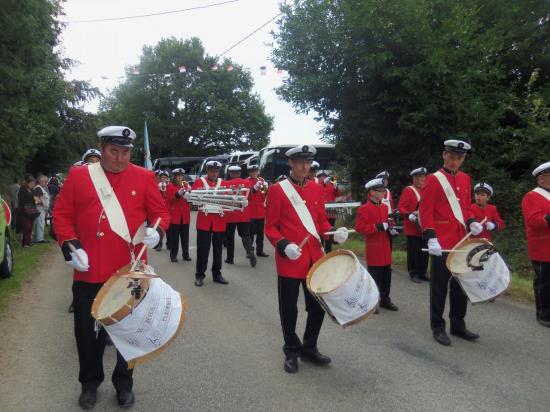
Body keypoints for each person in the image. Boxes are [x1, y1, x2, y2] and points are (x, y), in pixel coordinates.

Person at [53, 125, 170, 409]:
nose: (120, 158)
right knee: (85, 333)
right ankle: (89, 384)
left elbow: (160, 213)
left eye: (126, 152)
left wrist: (158, 231)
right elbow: (61, 214)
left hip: (129, 271)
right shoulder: (81, 175)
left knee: (127, 332)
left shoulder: (144, 177)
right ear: (102, 149)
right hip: (89, 269)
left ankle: (124, 384)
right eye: (114, 151)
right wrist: (71, 246)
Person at [265, 144, 348, 373]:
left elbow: (320, 221)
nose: (305, 166)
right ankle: (291, 350)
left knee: (317, 306)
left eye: (308, 162)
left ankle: (309, 347)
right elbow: (270, 227)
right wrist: (284, 245)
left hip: (314, 257)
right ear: (290, 163)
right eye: (300, 162)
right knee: (289, 308)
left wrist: (333, 233)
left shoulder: (315, 188)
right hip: (290, 259)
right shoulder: (277, 190)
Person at [419, 139, 483, 346]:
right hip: (441, 242)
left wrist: (472, 221)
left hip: (461, 241)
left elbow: (465, 208)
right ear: (444, 155)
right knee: (439, 287)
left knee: (460, 284)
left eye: (459, 158)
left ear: (463, 159)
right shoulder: (433, 179)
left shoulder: (465, 179)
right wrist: (431, 238)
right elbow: (425, 212)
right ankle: (437, 326)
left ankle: (458, 324)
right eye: (452, 157)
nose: (455, 162)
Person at [355, 178, 398, 312]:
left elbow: (385, 224)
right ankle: (373, 302)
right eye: (380, 191)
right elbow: (360, 228)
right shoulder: (364, 209)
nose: (383, 193)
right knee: (375, 277)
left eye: (384, 190)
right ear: (372, 192)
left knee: (387, 275)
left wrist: (391, 229)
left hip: (385, 246)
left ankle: (385, 299)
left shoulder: (385, 207)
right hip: (374, 248)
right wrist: (377, 227)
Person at [191, 161, 230, 287]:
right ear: (207, 171)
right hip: (204, 222)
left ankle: (217, 274)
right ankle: (200, 275)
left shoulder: (224, 184)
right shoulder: (199, 182)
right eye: (212, 171)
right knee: (203, 250)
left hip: (219, 221)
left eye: (216, 171)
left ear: (219, 172)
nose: (214, 173)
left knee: (218, 250)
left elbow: (229, 201)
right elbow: (193, 200)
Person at [521, 161, 550, 327]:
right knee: (544, 282)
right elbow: (532, 221)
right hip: (542, 247)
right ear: (541, 179)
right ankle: (544, 314)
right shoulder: (532, 196)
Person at [398, 167, 429, 283]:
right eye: (418, 177)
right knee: (414, 252)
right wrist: (409, 215)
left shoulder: (426, 190)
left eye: (423, 177)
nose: (421, 179)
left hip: (425, 226)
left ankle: (423, 272)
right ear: (414, 179)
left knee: (424, 251)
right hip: (412, 226)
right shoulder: (409, 190)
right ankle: (413, 272)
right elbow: (401, 207)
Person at [224, 165, 256, 267]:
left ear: (230, 173)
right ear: (240, 173)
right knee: (245, 235)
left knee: (230, 237)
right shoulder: (247, 182)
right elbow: (250, 197)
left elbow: (224, 198)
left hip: (231, 213)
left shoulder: (227, 183)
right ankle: (250, 250)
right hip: (243, 213)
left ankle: (230, 258)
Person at [166, 168, 191, 262]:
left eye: (181, 176)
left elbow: (189, 201)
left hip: (185, 215)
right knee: (174, 238)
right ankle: (173, 255)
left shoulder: (186, 185)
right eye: (178, 176)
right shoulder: (170, 186)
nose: (180, 178)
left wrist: (190, 196)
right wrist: (177, 195)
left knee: (185, 237)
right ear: (175, 176)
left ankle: (186, 255)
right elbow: (169, 200)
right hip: (175, 215)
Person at [246, 164, 269, 257]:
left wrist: (265, 188)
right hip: (251, 209)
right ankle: (250, 252)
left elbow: (263, 194)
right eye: (252, 172)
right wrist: (254, 189)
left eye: (255, 171)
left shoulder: (261, 180)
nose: (254, 173)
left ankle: (260, 251)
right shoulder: (246, 181)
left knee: (260, 233)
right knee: (250, 233)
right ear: (249, 172)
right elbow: (247, 196)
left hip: (260, 210)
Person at [320, 173, 341, 253]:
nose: (327, 178)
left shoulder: (332, 184)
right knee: (321, 232)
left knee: (331, 231)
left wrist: (336, 187)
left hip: (331, 211)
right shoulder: (319, 184)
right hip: (322, 211)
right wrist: (323, 184)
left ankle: (328, 250)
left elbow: (338, 194)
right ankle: (321, 250)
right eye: (324, 177)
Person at [17, 175, 38, 247]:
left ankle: (29, 242)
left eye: (34, 183)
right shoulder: (22, 190)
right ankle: (24, 243)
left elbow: (36, 199)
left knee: (30, 227)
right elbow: (22, 200)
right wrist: (31, 200)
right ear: (27, 183)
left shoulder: (32, 190)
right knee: (27, 227)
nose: (33, 185)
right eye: (32, 183)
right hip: (24, 212)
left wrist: (37, 200)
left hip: (31, 211)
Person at [155, 170, 171, 251]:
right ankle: (159, 244)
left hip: (168, 210)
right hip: (160, 210)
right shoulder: (156, 186)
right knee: (160, 227)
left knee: (169, 228)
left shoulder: (169, 186)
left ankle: (169, 243)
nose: (163, 179)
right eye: (162, 177)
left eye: (165, 177)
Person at [32, 174, 50, 243]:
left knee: (40, 223)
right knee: (40, 223)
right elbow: (36, 198)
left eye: (46, 181)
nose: (46, 183)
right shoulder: (38, 188)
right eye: (44, 181)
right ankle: (39, 239)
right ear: (40, 181)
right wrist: (43, 204)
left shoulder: (40, 188)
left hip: (42, 208)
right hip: (40, 208)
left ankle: (39, 237)